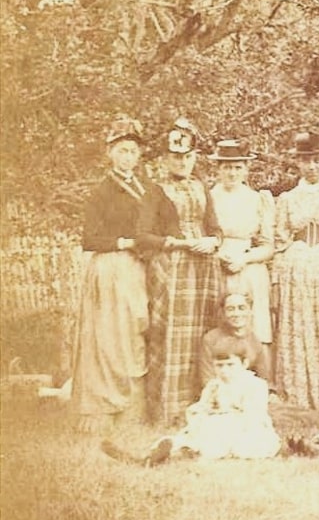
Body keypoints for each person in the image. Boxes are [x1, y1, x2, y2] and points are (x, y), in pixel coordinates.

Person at [137, 118, 222, 425]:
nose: (182, 162)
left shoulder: (202, 187)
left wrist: (212, 240)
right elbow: (143, 235)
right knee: (169, 335)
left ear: (194, 157)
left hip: (202, 268)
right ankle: (168, 411)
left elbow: (215, 227)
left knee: (203, 334)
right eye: (176, 156)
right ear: (165, 159)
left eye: (187, 156)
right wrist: (175, 242)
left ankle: (203, 408)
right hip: (172, 267)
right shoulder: (155, 191)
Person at [72, 116, 150, 431]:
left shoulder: (142, 187)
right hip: (110, 267)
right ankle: (103, 406)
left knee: (134, 332)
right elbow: (88, 239)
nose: (127, 157)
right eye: (121, 151)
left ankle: (131, 407)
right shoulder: (102, 191)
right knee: (108, 336)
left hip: (135, 268)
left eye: (132, 151)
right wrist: (126, 242)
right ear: (110, 153)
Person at [102, 340, 279, 465]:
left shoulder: (254, 385)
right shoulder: (214, 385)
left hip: (245, 429)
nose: (224, 371)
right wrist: (201, 414)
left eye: (230, 365)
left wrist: (221, 415)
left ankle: (186, 452)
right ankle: (152, 457)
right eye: (219, 365)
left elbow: (252, 416)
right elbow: (202, 407)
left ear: (244, 363)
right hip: (217, 425)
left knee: (225, 440)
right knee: (191, 435)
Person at [272, 131, 319, 410]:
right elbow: (279, 239)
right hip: (297, 269)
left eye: (317, 160)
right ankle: (298, 398)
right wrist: (277, 278)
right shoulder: (288, 198)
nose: (312, 166)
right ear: (297, 163)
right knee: (298, 331)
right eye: (306, 161)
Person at [206, 139, 277, 382]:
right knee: (220, 326)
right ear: (217, 169)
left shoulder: (258, 199)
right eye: (226, 167)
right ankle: (218, 388)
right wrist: (218, 256)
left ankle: (262, 388)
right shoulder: (207, 197)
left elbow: (268, 246)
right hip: (215, 267)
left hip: (250, 270)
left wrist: (244, 259)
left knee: (256, 328)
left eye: (237, 167)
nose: (232, 173)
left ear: (246, 169)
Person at [199, 293, 269, 383]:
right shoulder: (211, 339)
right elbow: (207, 378)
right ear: (223, 313)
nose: (236, 314)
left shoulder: (254, 341)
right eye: (230, 309)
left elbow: (263, 378)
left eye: (242, 308)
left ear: (250, 311)